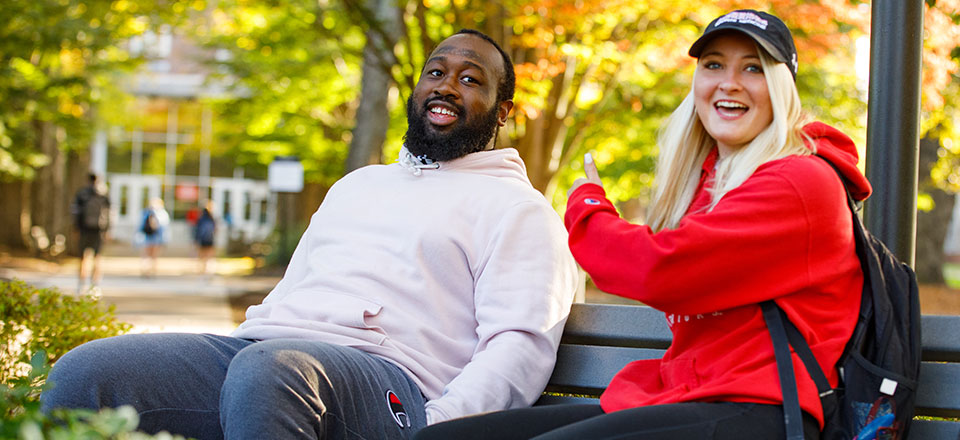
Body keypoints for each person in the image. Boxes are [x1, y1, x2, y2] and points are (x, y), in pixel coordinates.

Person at [42, 29, 578, 440]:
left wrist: (440, 426)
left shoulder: (520, 211)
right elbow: (291, 293)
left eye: (470, 79)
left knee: (272, 370)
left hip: (398, 388)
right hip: (266, 357)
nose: (446, 87)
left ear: (504, 112)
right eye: (436, 72)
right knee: (88, 374)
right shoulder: (358, 185)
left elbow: (518, 346)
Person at [416, 9, 872, 440]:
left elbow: (659, 269)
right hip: (686, 396)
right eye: (714, 65)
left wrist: (589, 207)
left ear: (781, 86)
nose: (729, 83)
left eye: (753, 68)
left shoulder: (802, 181)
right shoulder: (718, 181)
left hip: (761, 408)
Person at [71, 173, 111, 295]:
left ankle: (81, 284)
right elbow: (109, 213)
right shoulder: (103, 194)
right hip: (98, 230)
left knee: (83, 257)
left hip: (84, 229)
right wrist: (107, 229)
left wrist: (76, 228)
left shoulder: (82, 193)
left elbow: (75, 212)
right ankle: (95, 285)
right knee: (97, 257)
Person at [138, 197, 169, 277]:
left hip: (149, 236)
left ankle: (147, 270)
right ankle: (151, 270)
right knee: (153, 255)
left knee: (147, 254)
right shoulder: (161, 213)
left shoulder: (145, 212)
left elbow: (140, 226)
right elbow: (164, 227)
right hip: (154, 237)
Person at [193, 200, 218, 274]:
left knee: (202, 254)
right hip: (209, 238)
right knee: (208, 254)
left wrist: (196, 239)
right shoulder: (212, 218)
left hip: (203, 238)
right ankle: (205, 267)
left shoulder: (201, 218)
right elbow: (215, 229)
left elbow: (197, 229)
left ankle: (202, 267)